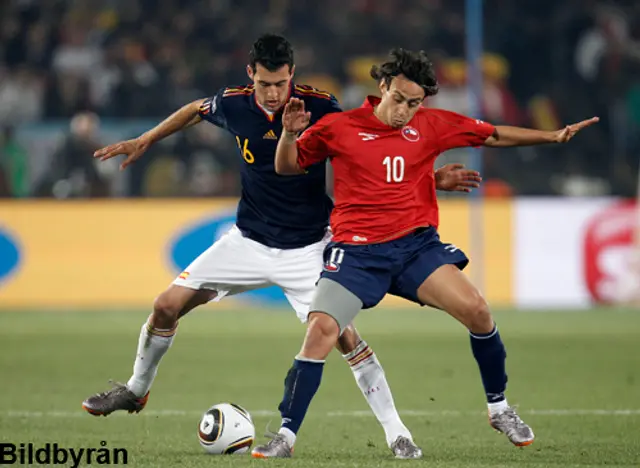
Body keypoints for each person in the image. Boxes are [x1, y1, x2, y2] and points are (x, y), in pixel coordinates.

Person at [81, 35, 480, 459]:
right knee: (165, 305)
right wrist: (147, 139)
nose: (274, 93)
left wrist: (427, 180)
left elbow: (371, 152)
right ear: (250, 75)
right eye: (266, 84)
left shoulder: (321, 107)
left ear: (293, 76)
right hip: (246, 241)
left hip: (308, 247)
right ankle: (135, 390)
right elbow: (195, 110)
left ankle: (397, 433)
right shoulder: (233, 104)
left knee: (344, 337)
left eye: (282, 83)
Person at [251, 48, 599, 459]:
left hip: (415, 249)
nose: (404, 111)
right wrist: (289, 134)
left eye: (414, 103)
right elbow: (286, 167)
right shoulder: (339, 127)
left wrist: (552, 136)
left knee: (479, 312)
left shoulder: (431, 125)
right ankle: (286, 437)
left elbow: (493, 134)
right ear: (382, 87)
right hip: (357, 253)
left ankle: (499, 408)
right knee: (321, 332)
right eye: (398, 99)